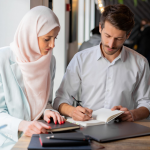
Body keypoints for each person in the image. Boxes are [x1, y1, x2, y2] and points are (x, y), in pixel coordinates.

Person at [53, 4, 150, 122]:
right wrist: (73, 111)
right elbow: (60, 99)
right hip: (88, 127)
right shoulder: (81, 59)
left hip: (124, 130)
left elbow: (146, 103)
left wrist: (132, 114)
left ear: (128, 35)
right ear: (100, 28)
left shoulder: (140, 63)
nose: (111, 44)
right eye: (107, 36)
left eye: (118, 38)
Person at [0, 6, 65, 150]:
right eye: (47, 39)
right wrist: (23, 125)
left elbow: (45, 102)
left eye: (55, 38)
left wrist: (48, 111)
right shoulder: (2, 59)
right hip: (10, 142)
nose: (52, 45)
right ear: (29, 34)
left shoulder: (50, 61)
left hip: (41, 137)